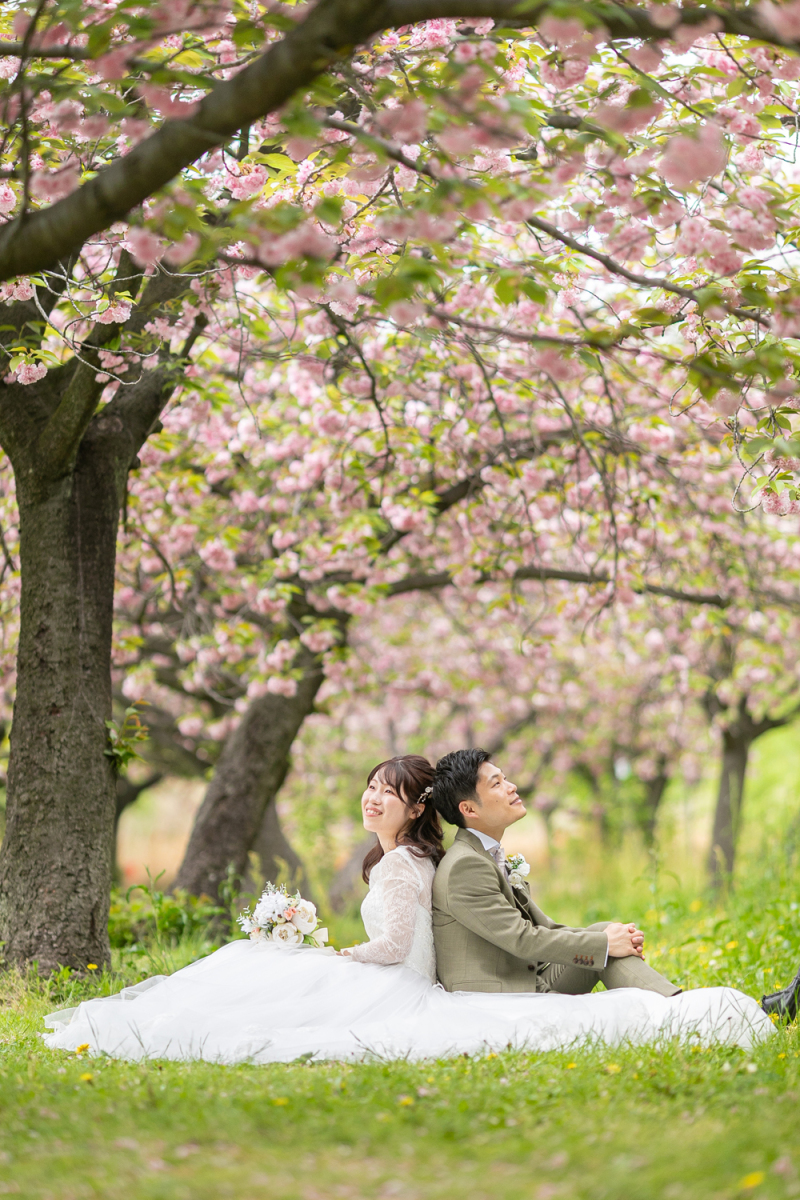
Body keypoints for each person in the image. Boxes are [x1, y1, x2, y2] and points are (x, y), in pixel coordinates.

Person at [43, 754, 772, 1064]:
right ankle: (702, 1008)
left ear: (415, 805)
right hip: (462, 987)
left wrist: (595, 937)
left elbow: (507, 930)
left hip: (429, 977)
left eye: (384, 790)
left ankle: (696, 1006)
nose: (371, 798)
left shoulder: (419, 862)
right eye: (369, 787)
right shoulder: (431, 864)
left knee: (610, 948)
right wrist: (326, 955)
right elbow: (443, 942)